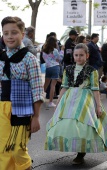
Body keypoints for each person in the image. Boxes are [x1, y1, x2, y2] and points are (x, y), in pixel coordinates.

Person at [45, 43, 107, 164]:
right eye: (76, 55)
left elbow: (95, 89)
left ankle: (81, 153)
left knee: (84, 125)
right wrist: (58, 103)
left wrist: (98, 106)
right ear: (73, 56)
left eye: (81, 55)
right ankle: (70, 146)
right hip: (69, 99)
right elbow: (64, 87)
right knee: (67, 124)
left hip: (85, 100)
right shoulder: (68, 69)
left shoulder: (92, 71)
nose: (78, 57)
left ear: (87, 55)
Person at [0, 16, 43, 170]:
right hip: (2, 108)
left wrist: (36, 117)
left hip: (22, 109)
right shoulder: (1, 58)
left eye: (14, 32)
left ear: (23, 34)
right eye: (6, 33)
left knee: (18, 149)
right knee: (3, 148)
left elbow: (37, 89)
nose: (10, 36)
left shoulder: (29, 59)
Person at [42, 36, 62, 107]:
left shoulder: (44, 50)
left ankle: (41, 98)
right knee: (53, 85)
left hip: (48, 68)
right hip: (55, 67)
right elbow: (59, 58)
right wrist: (62, 51)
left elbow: (44, 59)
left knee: (46, 84)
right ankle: (50, 102)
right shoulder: (55, 50)